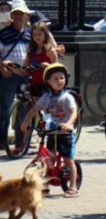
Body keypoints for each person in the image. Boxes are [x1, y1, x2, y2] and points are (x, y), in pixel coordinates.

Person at [20, 63, 79, 197]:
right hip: (51, 132)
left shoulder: (67, 97)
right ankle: (44, 186)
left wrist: (68, 124)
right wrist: (26, 121)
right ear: (48, 81)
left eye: (62, 78)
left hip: (65, 133)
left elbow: (73, 112)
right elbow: (34, 109)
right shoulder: (46, 97)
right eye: (55, 79)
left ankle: (73, 186)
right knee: (48, 159)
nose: (59, 81)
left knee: (68, 159)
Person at [0, 0, 32, 152]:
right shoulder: (4, 33)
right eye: (16, 14)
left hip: (24, 74)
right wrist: (2, 69)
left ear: (26, 16)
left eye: (21, 14)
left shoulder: (29, 34)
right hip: (9, 74)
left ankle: (20, 142)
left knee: (24, 108)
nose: (18, 17)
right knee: (5, 108)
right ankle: (2, 140)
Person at [25, 22, 60, 99]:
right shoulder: (30, 51)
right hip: (34, 85)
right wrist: (12, 67)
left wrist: (49, 66)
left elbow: (58, 70)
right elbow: (24, 69)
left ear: (45, 34)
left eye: (40, 34)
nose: (37, 37)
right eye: (35, 35)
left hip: (47, 86)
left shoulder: (50, 50)